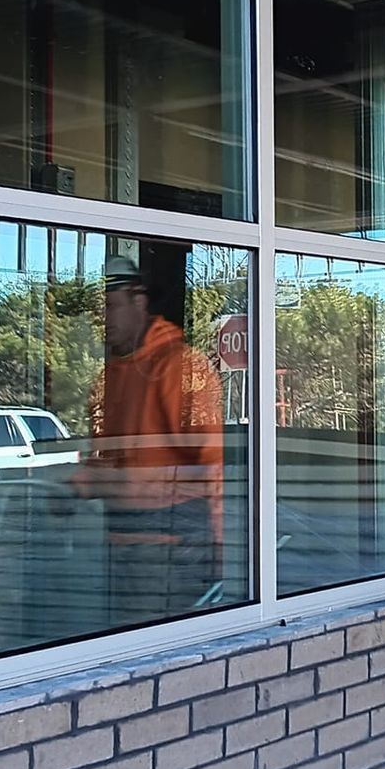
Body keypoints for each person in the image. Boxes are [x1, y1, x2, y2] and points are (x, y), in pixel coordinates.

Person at [70, 255, 225, 625]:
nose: (101, 320)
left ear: (138, 301)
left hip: (170, 548)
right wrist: (75, 486)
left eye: (109, 306)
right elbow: (106, 458)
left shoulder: (181, 368)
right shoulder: (109, 378)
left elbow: (212, 461)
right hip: (122, 541)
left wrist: (220, 542)